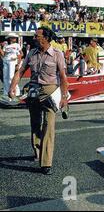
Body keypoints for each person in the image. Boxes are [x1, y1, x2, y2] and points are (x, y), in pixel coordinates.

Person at [8, 27, 68, 175]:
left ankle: (46, 163)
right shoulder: (31, 53)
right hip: (33, 91)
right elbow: (20, 71)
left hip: (50, 91)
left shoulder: (57, 54)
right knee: (35, 124)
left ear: (46, 38)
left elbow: (63, 76)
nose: (34, 38)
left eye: (37, 36)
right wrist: (12, 87)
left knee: (49, 125)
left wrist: (64, 97)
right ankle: (38, 152)